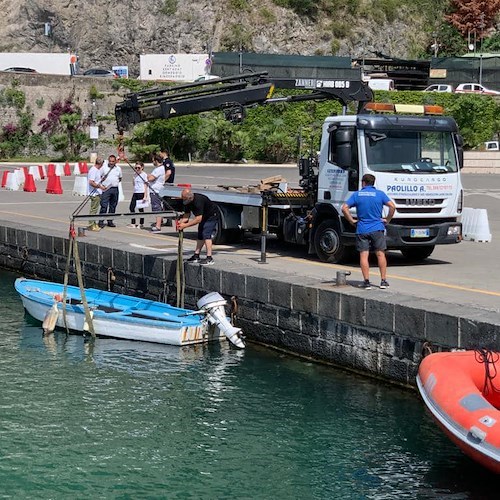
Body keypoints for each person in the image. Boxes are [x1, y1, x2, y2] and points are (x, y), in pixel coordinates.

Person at [341, 174, 396, 290]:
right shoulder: (379, 194)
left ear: (363, 183)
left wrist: (351, 220)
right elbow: (392, 206)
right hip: (377, 227)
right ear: (373, 183)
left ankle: (366, 282)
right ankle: (383, 281)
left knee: (364, 255)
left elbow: (344, 208)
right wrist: (388, 219)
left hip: (362, 228)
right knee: (380, 254)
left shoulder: (357, 195)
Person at [178, 189, 218, 265]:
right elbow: (187, 215)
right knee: (200, 235)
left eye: (185, 199)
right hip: (203, 216)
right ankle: (196, 255)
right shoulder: (186, 202)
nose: (184, 201)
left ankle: (209, 258)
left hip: (211, 216)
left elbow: (198, 219)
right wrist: (181, 222)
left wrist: (185, 226)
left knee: (206, 235)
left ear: (190, 198)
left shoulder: (198, 201)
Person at [98, 154, 122, 228]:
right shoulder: (104, 168)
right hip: (106, 189)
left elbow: (120, 178)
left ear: (115, 161)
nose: (111, 163)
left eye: (113, 161)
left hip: (115, 188)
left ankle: (110, 221)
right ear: (108, 161)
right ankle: (101, 221)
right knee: (104, 205)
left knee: (113, 206)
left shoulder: (118, 168)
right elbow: (99, 177)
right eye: (110, 161)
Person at [147, 154, 166, 232]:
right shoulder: (161, 168)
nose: (152, 162)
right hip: (158, 190)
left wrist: (148, 176)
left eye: (153, 160)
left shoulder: (158, 169)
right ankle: (159, 222)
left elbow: (151, 178)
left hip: (155, 191)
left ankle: (158, 226)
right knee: (158, 207)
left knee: (156, 208)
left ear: (156, 161)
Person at [128, 161, 149, 228]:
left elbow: (146, 185)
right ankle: (133, 223)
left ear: (142, 168)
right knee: (131, 207)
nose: (137, 169)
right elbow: (134, 184)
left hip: (141, 192)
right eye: (136, 168)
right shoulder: (135, 174)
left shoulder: (144, 175)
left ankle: (141, 223)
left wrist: (145, 196)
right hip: (135, 192)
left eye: (138, 168)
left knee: (140, 209)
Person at [87, 157, 105, 231]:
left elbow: (96, 180)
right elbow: (91, 182)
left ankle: (93, 223)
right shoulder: (93, 170)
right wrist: (99, 187)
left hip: (97, 192)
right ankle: (91, 224)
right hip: (94, 193)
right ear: (100, 163)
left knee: (95, 209)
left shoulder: (97, 170)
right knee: (93, 209)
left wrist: (101, 180)